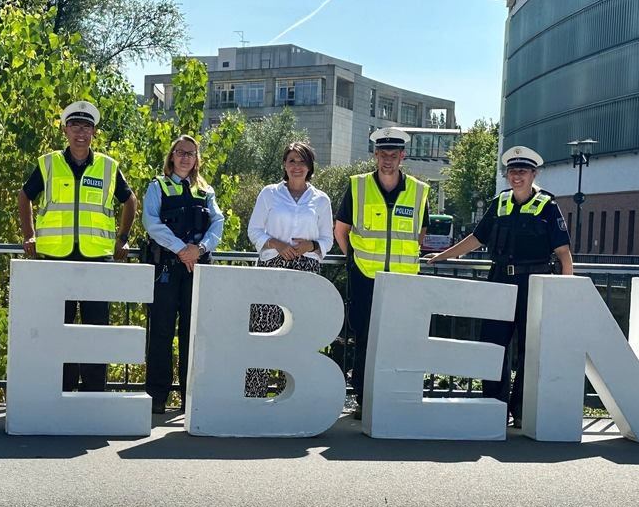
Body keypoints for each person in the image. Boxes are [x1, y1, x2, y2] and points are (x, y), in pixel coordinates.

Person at [425, 145, 573, 427]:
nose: (517, 176)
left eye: (523, 172)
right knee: (492, 346)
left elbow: (564, 253)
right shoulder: (500, 203)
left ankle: (521, 410)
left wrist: (566, 294)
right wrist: (442, 256)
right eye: (512, 171)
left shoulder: (547, 206)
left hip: (534, 285)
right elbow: (476, 239)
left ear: (533, 174)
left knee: (530, 350)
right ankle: (494, 406)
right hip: (501, 282)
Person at [17, 100, 137, 392]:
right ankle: (62, 389)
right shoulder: (49, 162)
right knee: (59, 329)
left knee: (96, 330)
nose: (80, 132)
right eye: (74, 126)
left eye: (86, 127)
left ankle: (94, 391)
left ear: (94, 132)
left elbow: (130, 200)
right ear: (65, 130)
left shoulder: (108, 166)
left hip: (97, 258)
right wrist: (29, 234)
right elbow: (24, 196)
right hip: (56, 257)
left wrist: (122, 239)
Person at [333, 128, 429, 419]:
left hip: (402, 279)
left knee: (398, 337)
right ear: (375, 155)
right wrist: (354, 259)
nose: (388, 160)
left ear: (402, 156)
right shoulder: (359, 186)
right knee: (365, 337)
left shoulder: (419, 190)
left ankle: (392, 393)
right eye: (383, 154)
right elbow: (341, 230)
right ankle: (364, 396)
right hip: (365, 275)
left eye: (393, 155)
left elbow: (421, 233)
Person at [140, 135, 224, 413]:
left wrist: (198, 250)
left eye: (190, 153)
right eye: (180, 152)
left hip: (197, 267)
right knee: (161, 332)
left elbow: (217, 224)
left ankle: (191, 396)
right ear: (172, 157)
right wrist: (181, 250)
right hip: (166, 267)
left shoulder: (205, 191)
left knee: (194, 333)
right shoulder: (158, 186)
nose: (185, 157)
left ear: (196, 159)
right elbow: (151, 223)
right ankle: (157, 396)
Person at [245, 141, 334, 398]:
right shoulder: (269, 194)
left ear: (310, 167)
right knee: (263, 331)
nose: (297, 166)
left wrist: (311, 245)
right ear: (284, 165)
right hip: (272, 266)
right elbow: (254, 230)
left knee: (300, 336)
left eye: (302, 161)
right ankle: (254, 397)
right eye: (292, 161)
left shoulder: (320, 200)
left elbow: (327, 240)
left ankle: (293, 398)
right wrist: (275, 243)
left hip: (306, 270)